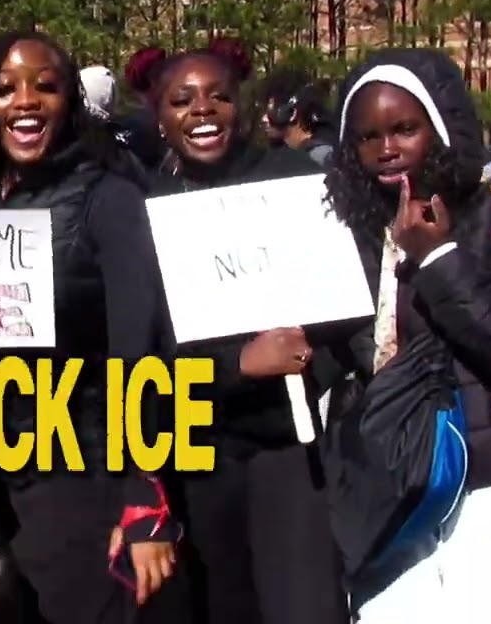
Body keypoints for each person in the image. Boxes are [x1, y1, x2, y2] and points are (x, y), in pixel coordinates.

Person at [0, 31, 185, 624]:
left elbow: (141, 353)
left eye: (45, 87)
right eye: (5, 90)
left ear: (69, 103)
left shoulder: (110, 196)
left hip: (82, 469)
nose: (25, 100)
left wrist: (142, 499)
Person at [324, 48, 491, 622]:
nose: (387, 149)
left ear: (440, 127)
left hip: (483, 484)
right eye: (368, 137)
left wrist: (438, 259)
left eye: (405, 129)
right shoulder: (352, 229)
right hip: (386, 484)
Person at [148, 47, 348, 624]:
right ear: (159, 116)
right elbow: (146, 344)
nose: (202, 110)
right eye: (181, 100)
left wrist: (310, 355)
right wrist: (239, 365)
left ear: (246, 105)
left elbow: (342, 307)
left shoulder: (297, 180)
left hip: (288, 443)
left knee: (303, 604)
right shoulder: (146, 204)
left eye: (219, 96)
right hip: (198, 447)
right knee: (222, 603)